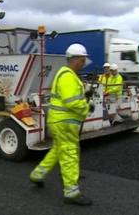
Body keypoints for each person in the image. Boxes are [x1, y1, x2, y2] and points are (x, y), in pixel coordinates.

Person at [29, 43, 92, 206]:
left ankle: (37, 174)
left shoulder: (67, 75)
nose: (84, 63)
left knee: (58, 150)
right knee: (69, 154)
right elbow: (72, 102)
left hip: (60, 121)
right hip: (65, 121)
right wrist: (87, 107)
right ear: (77, 60)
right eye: (83, 60)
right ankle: (71, 192)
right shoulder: (67, 76)